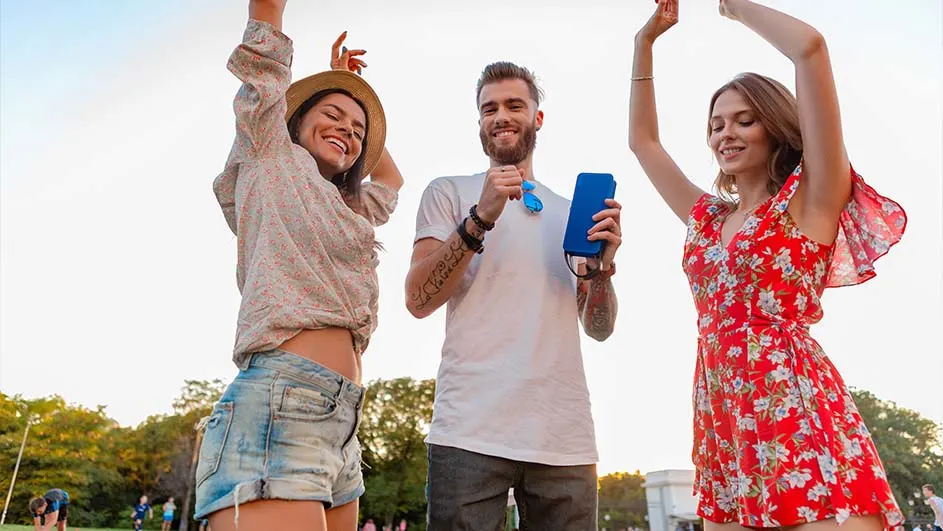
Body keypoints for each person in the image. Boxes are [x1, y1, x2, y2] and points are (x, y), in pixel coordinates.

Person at [628, 0, 906, 529]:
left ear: (774, 125)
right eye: (715, 125)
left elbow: (810, 49)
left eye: (743, 120)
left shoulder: (812, 198)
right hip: (722, 411)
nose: (724, 134)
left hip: (794, 406)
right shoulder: (707, 217)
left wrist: (732, 6)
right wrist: (645, 44)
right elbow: (643, 144)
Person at [193, 0, 403, 530]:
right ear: (293, 121)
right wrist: (326, 77)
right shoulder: (269, 154)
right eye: (332, 115)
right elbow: (263, 45)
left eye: (357, 130)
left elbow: (392, 183)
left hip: (344, 420)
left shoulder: (347, 207)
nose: (348, 132)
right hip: (280, 403)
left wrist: (351, 93)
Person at [406, 62, 622, 529]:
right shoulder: (448, 192)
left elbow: (598, 329)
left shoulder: (571, 211)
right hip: (469, 431)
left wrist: (602, 272)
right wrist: (479, 218)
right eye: (489, 108)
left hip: (562, 436)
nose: (500, 115)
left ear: (537, 118)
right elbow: (418, 300)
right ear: (480, 123)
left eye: (513, 105)